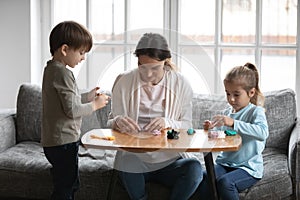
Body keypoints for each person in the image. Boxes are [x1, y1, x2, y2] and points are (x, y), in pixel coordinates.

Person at [107, 33, 203, 200]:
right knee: (127, 162)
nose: (148, 74)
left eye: (155, 68)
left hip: (171, 161)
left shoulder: (181, 84)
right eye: (142, 67)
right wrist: (117, 121)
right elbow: (110, 122)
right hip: (135, 159)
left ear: (165, 61)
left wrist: (168, 122)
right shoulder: (123, 81)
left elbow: (187, 126)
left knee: (194, 168)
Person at [41, 21, 110, 200]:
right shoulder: (64, 73)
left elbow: (66, 100)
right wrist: (96, 105)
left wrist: (87, 97)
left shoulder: (51, 69)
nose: (83, 58)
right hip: (64, 142)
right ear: (65, 49)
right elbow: (72, 109)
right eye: (81, 52)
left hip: (53, 142)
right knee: (67, 186)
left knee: (64, 182)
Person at [198, 63, 269, 200]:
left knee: (225, 183)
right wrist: (211, 129)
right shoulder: (226, 113)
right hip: (225, 163)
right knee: (206, 177)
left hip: (248, 168)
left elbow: (262, 133)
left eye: (236, 94)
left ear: (251, 92)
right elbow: (219, 137)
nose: (231, 99)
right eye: (228, 93)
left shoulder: (256, 112)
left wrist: (234, 123)